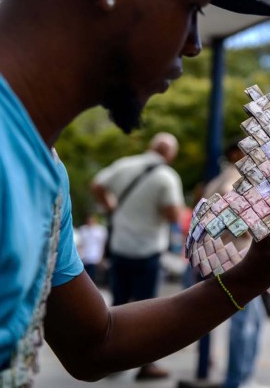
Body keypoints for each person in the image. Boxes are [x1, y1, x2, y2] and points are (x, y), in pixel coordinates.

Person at [0, 0, 270, 386]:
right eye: (192, 7)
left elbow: (94, 344)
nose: (194, 44)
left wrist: (249, 277)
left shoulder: (41, 166)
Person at [91, 132, 185, 379]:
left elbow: (97, 184)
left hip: (120, 247)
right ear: (170, 155)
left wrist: (111, 206)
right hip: (148, 250)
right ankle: (146, 365)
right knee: (149, 311)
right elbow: (174, 216)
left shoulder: (125, 165)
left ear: (150, 146)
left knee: (117, 305)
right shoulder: (167, 177)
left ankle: (110, 360)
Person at [202, 139, 268, 388]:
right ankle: (236, 381)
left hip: (229, 256)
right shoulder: (235, 177)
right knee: (245, 324)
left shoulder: (220, 179)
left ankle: (240, 378)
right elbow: (234, 211)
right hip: (236, 257)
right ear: (237, 153)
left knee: (253, 321)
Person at [77, 214, 108, 283]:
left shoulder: (100, 230)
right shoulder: (83, 230)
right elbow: (80, 244)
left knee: (92, 276)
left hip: (94, 257)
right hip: (84, 257)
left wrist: (102, 257)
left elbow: (102, 245)